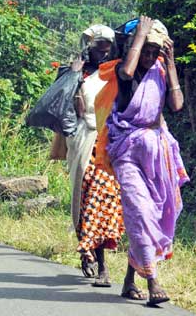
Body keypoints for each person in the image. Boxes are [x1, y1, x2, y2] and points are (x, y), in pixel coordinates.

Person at [106, 16, 189, 305]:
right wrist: (140, 36)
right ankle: (153, 280)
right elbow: (128, 71)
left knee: (148, 216)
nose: (150, 57)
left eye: (156, 51)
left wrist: (171, 63)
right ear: (136, 46)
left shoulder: (160, 71)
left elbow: (176, 105)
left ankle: (129, 281)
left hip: (158, 153)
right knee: (140, 211)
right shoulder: (123, 69)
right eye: (147, 51)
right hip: (126, 150)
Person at [64, 25, 125, 287]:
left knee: (100, 201)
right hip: (84, 140)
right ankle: (91, 256)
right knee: (85, 199)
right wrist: (73, 78)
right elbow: (63, 107)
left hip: (109, 144)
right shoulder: (79, 72)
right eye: (98, 49)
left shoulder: (120, 73)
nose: (103, 53)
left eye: (107, 49)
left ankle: (99, 261)